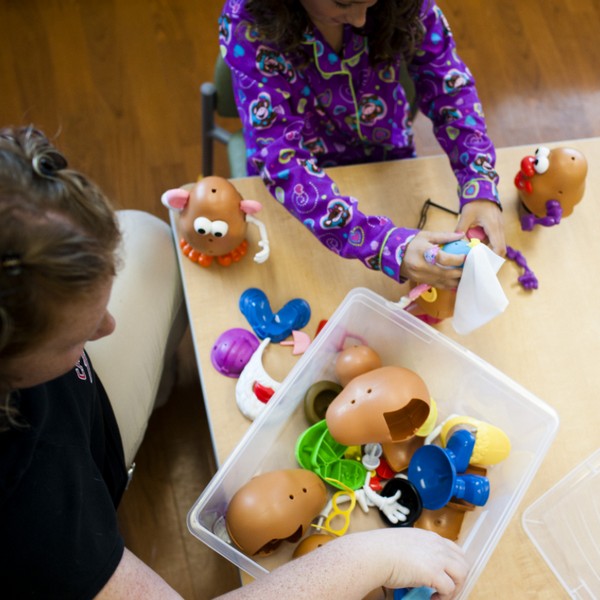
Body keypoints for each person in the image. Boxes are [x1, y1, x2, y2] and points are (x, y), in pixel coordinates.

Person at [0, 126, 467, 599]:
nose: (106, 327)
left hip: (75, 412)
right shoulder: (27, 494)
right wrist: (369, 557)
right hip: (57, 487)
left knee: (147, 235)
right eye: (75, 335)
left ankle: (145, 390)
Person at [219, 0, 506, 292]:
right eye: (344, 3)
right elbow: (280, 157)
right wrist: (383, 246)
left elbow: (449, 86)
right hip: (299, 186)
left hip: (389, 157)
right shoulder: (248, 21)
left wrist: (478, 180)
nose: (359, 20)